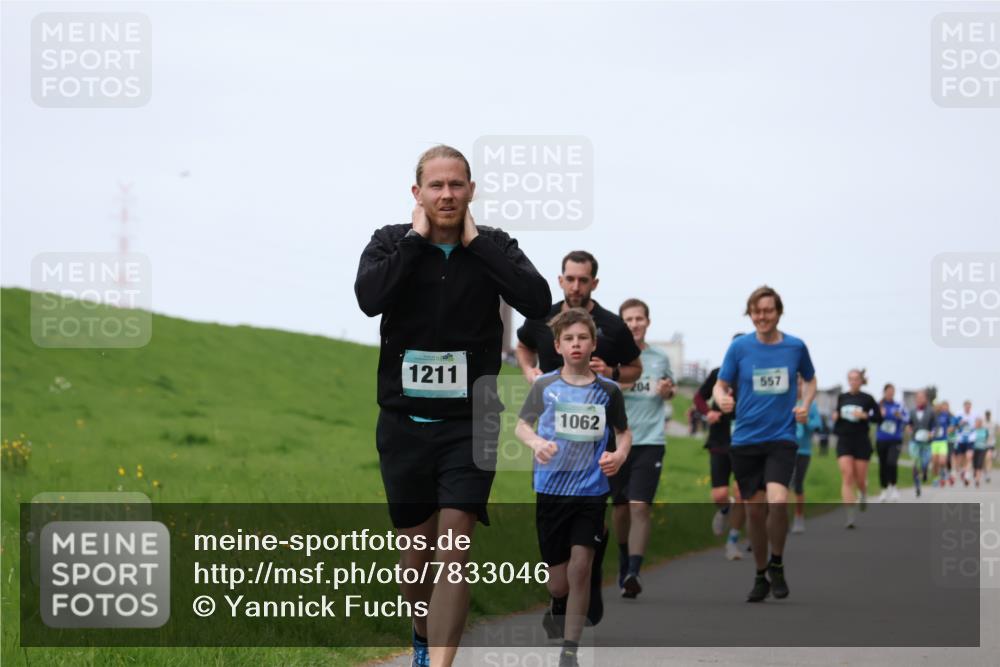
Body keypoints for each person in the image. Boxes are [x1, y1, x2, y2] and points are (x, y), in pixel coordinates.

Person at [354, 144, 551, 667]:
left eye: (457, 185)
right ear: (417, 193)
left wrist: (479, 244)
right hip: (404, 422)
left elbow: (536, 301)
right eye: (436, 186)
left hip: (474, 420)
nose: (447, 194)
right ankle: (422, 634)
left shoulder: (496, 247)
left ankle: (440, 663)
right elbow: (369, 297)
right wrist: (417, 240)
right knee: (417, 554)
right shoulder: (390, 243)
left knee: (456, 546)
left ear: (471, 192)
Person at [515, 308, 632, 667]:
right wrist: (536, 444)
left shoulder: (608, 391)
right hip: (551, 490)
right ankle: (558, 602)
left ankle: (570, 648)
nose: (576, 344)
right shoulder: (544, 386)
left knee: (582, 567)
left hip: (591, 492)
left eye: (583, 338)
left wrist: (620, 455)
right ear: (558, 346)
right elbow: (522, 426)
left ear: (593, 344)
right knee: (558, 582)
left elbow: (623, 433)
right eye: (569, 339)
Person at [713, 286, 816, 602]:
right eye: (756, 311)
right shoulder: (740, 348)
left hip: (781, 438)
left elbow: (810, 379)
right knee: (755, 513)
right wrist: (722, 400)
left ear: (778, 312)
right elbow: (721, 383)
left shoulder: (795, 347)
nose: (762, 317)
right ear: (750, 314)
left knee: (778, 500)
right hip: (745, 440)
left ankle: (778, 562)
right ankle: (760, 573)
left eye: (768, 311)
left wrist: (805, 403)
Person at [611, 298, 675, 598]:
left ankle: (634, 571)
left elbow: (670, 389)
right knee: (621, 509)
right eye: (629, 319)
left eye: (639, 319)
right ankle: (624, 560)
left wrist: (667, 390)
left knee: (640, 506)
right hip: (616, 442)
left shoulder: (660, 358)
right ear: (622, 323)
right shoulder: (612, 357)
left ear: (648, 322)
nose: (634, 324)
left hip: (650, 441)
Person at [515, 250, 642, 384]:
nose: (576, 287)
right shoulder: (540, 316)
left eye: (583, 280)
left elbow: (636, 369)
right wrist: (528, 369)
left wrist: (610, 372)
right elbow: (523, 347)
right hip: (549, 402)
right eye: (570, 279)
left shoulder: (615, 325)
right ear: (561, 281)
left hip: (595, 403)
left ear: (594, 283)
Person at [694, 334, 746, 561]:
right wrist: (708, 413)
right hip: (719, 438)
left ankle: (733, 541)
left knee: (742, 493)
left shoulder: (752, 377)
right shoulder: (718, 374)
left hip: (745, 440)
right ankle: (725, 510)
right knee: (720, 494)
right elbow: (698, 397)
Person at [833, 369, 881, 528]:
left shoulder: (867, 398)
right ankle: (850, 516)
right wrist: (836, 416)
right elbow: (837, 416)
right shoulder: (842, 397)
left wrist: (866, 416)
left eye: (856, 379)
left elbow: (879, 417)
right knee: (847, 476)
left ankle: (863, 493)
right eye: (850, 379)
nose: (853, 381)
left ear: (861, 381)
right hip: (844, 440)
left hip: (861, 441)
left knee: (860, 479)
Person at [790, 376, 822, 533]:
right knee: (782, 485)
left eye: (800, 384)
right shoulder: (784, 403)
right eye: (795, 384)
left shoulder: (811, 405)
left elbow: (818, 426)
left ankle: (798, 517)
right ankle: (781, 517)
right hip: (784, 449)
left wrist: (806, 419)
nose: (797, 387)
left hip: (803, 450)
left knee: (797, 484)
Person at [875, 383, 908, 502]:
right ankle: (883, 489)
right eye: (888, 391)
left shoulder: (899, 405)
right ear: (884, 392)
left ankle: (893, 486)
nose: (890, 393)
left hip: (895, 439)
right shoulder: (879, 405)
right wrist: (880, 415)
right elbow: (872, 418)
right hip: (881, 439)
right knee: (883, 464)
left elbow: (907, 419)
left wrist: (900, 416)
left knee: (892, 462)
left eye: (892, 391)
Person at [906, 390, 936, 497]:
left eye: (921, 397)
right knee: (915, 463)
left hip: (926, 442)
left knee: (924, 463)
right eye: (917, 397)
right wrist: (909, 429)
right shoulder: (912, 411)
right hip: (915, 441)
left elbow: (935, 426)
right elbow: (909, 423)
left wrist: (932, 433)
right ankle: (917, 486)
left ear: (926, 399)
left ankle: (925, 471)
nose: (919, 399)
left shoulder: (931, 411)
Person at [953, 400, 979, 486]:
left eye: (969, 406)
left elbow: (978, 424)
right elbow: (954, 425)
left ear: (971, 407)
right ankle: (962, 471)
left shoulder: (974, 415)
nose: (968, 408)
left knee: (969, 456)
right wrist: (960, 423)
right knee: (960, 459)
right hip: (960, 439)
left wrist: (976, 425)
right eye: (966, 406)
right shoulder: (959, 414)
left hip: (970, 439)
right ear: (964, 407)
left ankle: (967, 476)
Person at [931, 401, 954, 487]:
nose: (937, 407)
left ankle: (943, 474)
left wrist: (950, 429)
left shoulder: (945, 415)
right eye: (935, 406)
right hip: (934, 442)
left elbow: (951, 424)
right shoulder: (932, 415)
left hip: (943, 441)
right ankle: (935, 478)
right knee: (934, 462)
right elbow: (928, 426)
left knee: (942, 461)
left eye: (938, 405)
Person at [973, 417, 989, 487]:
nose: (978, 424)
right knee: (975, 465)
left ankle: (977, 480)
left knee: (979, 464)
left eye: (979, 422)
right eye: (977, 422)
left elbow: (986, 438)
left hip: (982, 449)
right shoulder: (973, 430)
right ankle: (976, 473)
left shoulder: (985, 430)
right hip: (974, 449)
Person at [985, 410, 996, 483]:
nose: (988, 416)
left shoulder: (993, 423)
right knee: (985, 459)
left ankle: (988, 474)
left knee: (989, 458)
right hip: (984, 444)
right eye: (987, 415)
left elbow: (996, 432)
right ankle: (986, 472)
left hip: (991, 443)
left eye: (989, 415)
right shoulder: (983, 423)